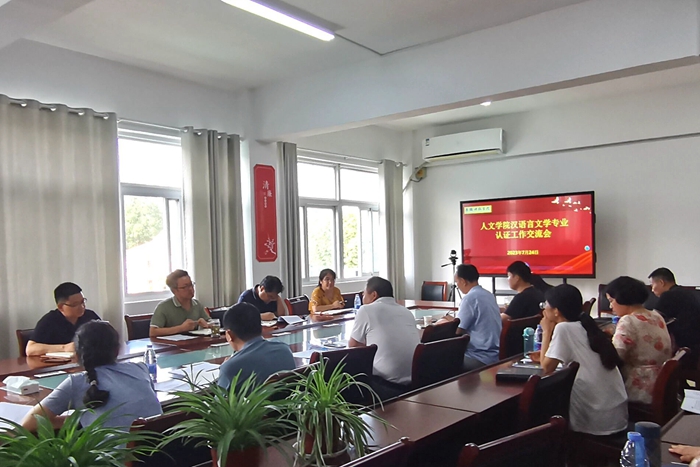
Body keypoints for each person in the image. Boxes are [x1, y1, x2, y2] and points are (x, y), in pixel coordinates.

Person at [21, 321, 162, 430]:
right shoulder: (140, 369)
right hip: (160, 454)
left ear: (76, 355)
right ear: (118, 351)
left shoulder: (76, 382)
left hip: (115, 457)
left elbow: (29, 423)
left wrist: (79, 418)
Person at [537, 284, 628, 436]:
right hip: (615, 412)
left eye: (545, 305)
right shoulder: (585, 324)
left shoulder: (564, 328)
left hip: (596, 417)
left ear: (556, 311)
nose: (543, 310)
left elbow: (546, 368)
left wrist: (546, 331)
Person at [349, 276, 420, 400]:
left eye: (364, 294)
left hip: (386, 386)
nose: (362, 298)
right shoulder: (406, 312)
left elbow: (353, 346)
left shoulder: (366, 310)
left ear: (374, 295)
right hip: (415, 383)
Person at [606, 276, 671, 404]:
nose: (610, 306)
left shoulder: (628, 321)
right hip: (663, 382)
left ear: (622, 298)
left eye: (611, 300)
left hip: (641, 386)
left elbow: (614, 357)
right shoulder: (656, 315)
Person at [217, 303, 295, 390]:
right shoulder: (284, 350)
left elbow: (219, 398)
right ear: (261, 327)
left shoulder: (230, 368)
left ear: (229, 335)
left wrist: (224, 368)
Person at [439, 264, 502, 371]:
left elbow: (457, 330)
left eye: (457, 282)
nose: (457, 285)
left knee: (438, 362)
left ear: (463, 281)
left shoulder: (469, 298)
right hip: (495, 355)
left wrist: (446, 320)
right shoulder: (489, 295)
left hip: (478, 356)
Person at [26, 282, 101, 357]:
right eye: (75, 304)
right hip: (60, 363)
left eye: (82, 302)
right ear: (61, 307)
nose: (82, 306)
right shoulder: (49, 321)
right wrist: (64, 348)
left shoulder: (90, 316)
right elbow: (30, 349)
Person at [648, 267, 700, 367]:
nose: (652, 290)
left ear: (661, 282)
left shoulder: (669, 295)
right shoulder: (688, 293)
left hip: (683, 346)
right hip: (694, 344)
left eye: (652, 285)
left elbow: (654, 320)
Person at [150, 270, 210, 337]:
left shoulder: (197, 304)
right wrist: (181, 328)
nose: (191, 289)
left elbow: (212, 323)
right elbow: (153, 332)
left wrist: (206, 324)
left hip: (195, 341)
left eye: (191, 285)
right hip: (173, 343)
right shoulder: (163, 307)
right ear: (174, 290)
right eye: (185, 287)